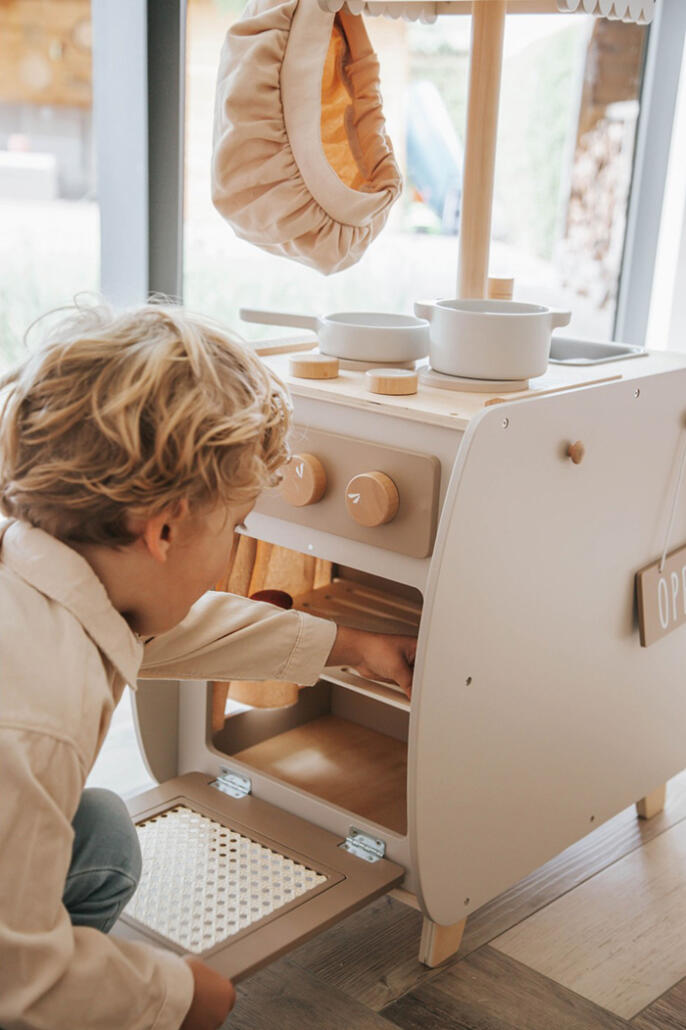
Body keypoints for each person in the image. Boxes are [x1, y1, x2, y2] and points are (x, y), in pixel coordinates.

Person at [0, 301, 417, 1030]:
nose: (234, 549)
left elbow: (180, 633)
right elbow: (15, 980)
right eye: (236, 527)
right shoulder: (34, 714)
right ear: (164, 530)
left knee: (97, 830)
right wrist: (177, 996)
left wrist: (349, 646)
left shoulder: (44, 567)